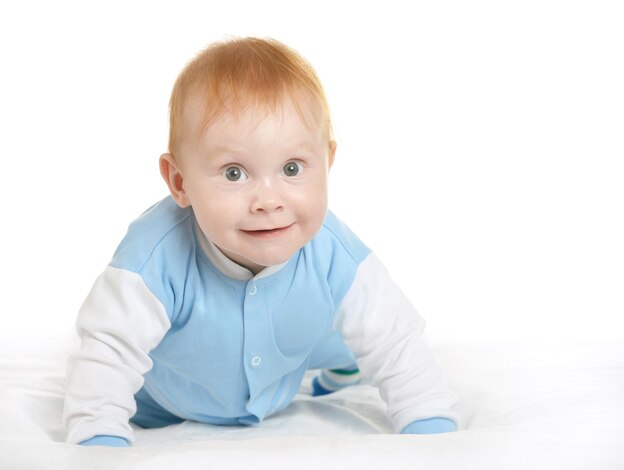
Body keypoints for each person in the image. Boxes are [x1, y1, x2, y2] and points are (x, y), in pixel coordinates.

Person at [63, 37, 459, 447]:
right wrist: (99, 435)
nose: (268, 201)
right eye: (234, 173)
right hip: (164, 404)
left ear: (328, 163)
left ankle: (342, 366)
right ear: (180, 182)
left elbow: (395, 338)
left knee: (354, 325)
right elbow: (107, 350)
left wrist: (428, 420)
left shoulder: (333, 252)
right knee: (313, 318)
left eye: (292, 168)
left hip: (281, 371)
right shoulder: (153, 260)